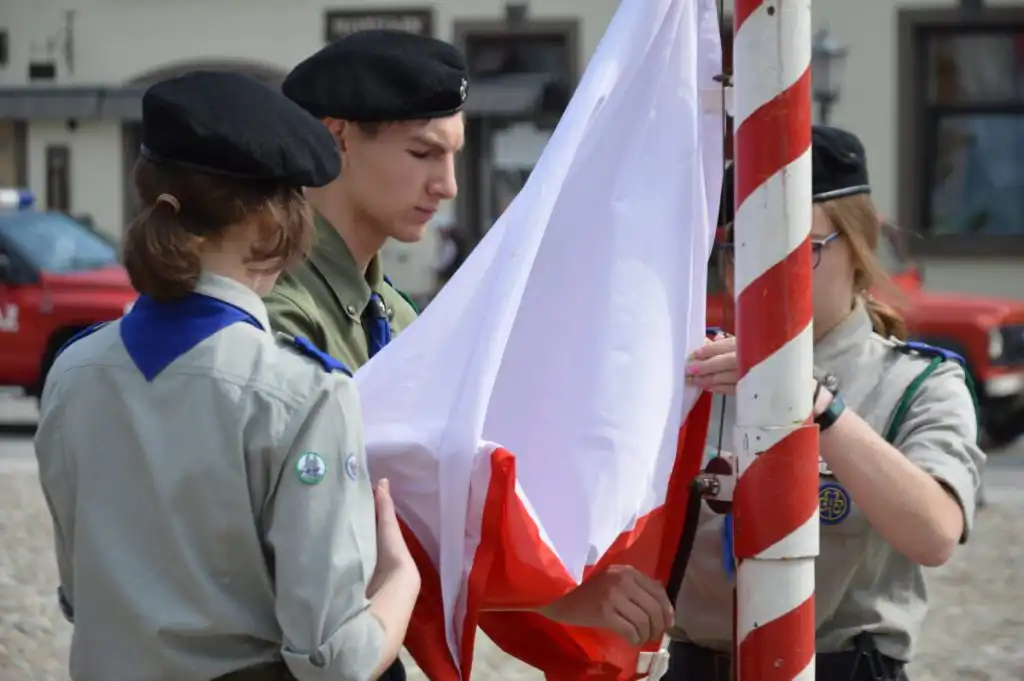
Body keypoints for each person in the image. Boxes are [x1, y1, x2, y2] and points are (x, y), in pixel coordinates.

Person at [268, 28, 676, 659]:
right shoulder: (281, 315)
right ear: (336, 139)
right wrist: (552, 593)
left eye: (452, 156)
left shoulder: (396, 316)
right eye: (423, 153)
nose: (448, 185)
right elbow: (326, 529)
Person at [34, 70, 420, 681]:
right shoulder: (304, 394)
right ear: (273, 222)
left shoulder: (73, 371)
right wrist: (402, 579)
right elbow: (336, 660)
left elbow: (80, 597)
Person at [668, 125, 986, 680]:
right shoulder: (697, 373)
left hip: (842, 665)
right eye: (744, 247)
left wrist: (819, 408)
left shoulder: (916, 382)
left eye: (799, 247)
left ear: (858, 252)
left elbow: (934, 534)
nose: (767, 269)